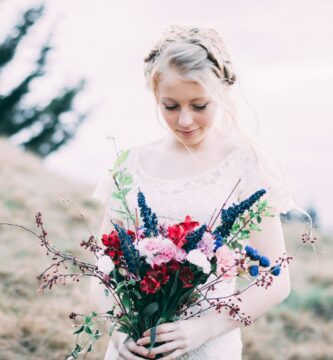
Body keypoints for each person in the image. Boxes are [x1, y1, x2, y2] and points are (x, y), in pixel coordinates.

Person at [91, 24, 296, 360]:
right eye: (170, 106)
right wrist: (117, 329)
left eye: (199, 105)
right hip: (134, 347)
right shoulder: (130, 165)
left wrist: (202, 328)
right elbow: (103, 268)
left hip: (207, 347)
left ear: (222, 94)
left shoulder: (246, 165)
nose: (185, 120)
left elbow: (276, 279)